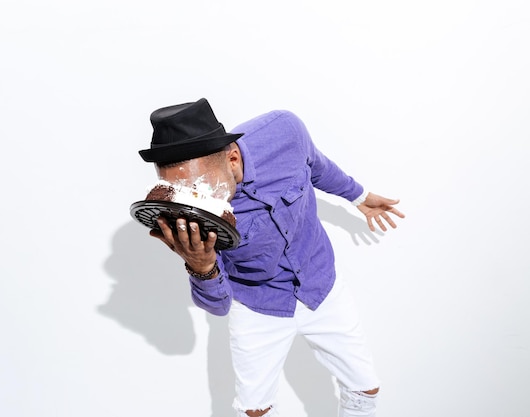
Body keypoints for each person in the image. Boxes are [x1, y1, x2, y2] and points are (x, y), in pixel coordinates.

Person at [138, 98, 405, 417]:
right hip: (257, 305)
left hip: (321, 285)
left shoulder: (284, 131)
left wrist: (358, 195)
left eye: (199, 187)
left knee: (365, 389)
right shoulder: (190, 214)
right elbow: (220, 306)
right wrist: (202, 266)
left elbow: (315, 165)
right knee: (254, 411)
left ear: (232, 158)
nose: (192, 201)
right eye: (178, 190)